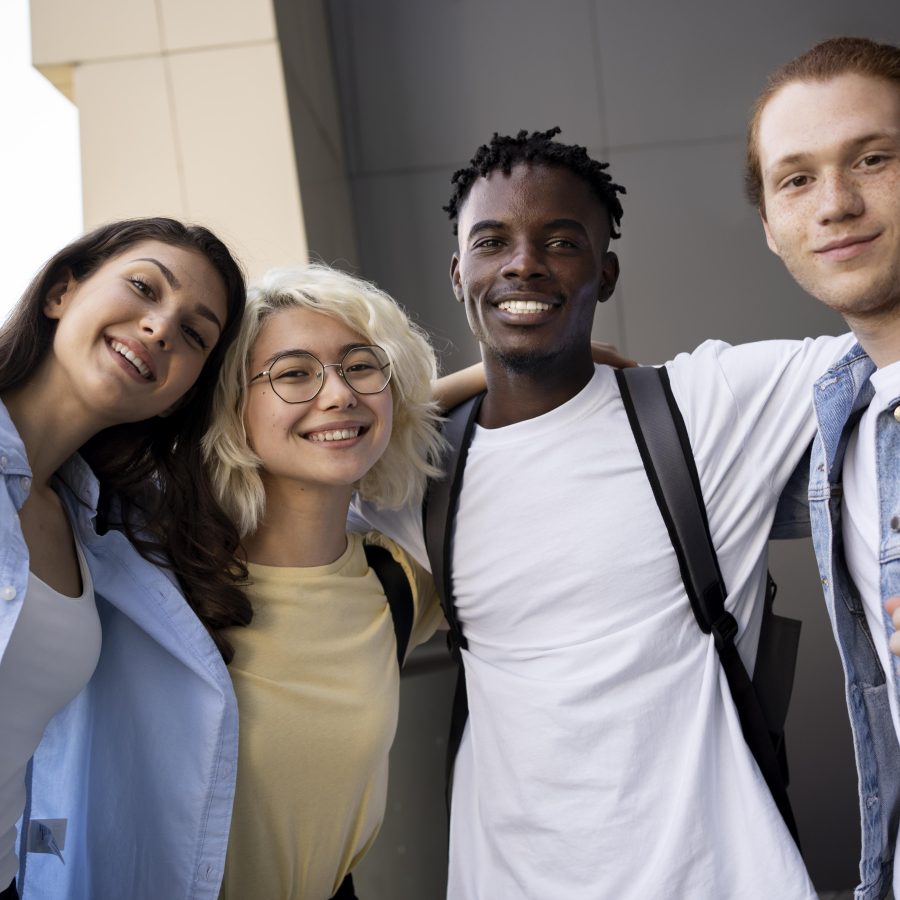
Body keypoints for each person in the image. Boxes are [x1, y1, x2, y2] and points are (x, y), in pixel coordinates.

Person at [350, 127, 853, 898]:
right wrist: (451, 388)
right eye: (493, 242)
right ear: (459, 273)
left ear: (605, 273)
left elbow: (880, 351)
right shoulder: (418, 473)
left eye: (560, 240)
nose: (524, 262)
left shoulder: (704, 406)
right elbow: (267, 472)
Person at [202, 263, 483, 900]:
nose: (338, 395)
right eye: (294, 373)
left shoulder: (398, 580)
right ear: (229, 403)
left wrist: (513, 372)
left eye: (360, 365)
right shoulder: (164, 580)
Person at [6, 217, 247, 900]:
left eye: (195, 334)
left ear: (182, 392)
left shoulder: (107, 528)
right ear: (60, 291)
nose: (161, 327)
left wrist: (489, 378)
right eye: (144, 287)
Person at [747, 36, 900, 899]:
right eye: (797, 179)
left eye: (872, 159)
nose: (835, 203)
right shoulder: (836, 411)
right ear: (771, 227)